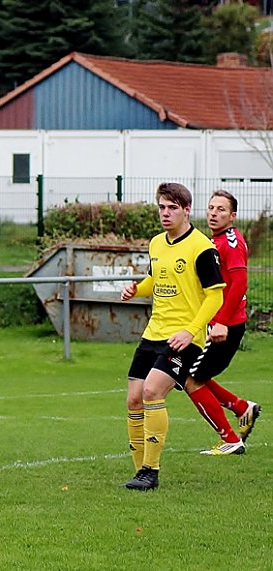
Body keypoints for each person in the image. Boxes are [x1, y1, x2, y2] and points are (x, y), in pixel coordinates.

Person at [120, 182, 225, 491]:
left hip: (185, 337)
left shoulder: (201, 246)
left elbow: (215, 296)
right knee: (133, 399)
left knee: (153, 391)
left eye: (172, 208)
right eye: (162, 207)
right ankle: (140, 470)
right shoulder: (156, 244)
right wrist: (137, 289)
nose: (165, 214)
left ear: (187, 210)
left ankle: (151, 471)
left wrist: (192, 330)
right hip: (154, 332)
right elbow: (157, 277)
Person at [182, 190, 261, 455]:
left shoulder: (230, 241)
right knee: (191, 375)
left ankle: (231, 439)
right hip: (215, 323)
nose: (214, 213)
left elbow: (239, 283)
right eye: (211, 208)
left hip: (226, 326)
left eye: (221, 210)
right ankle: (241, 408)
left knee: (192, 381)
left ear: (233, 215)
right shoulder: (214, 240)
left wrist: (222, 322)